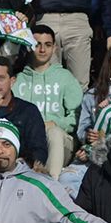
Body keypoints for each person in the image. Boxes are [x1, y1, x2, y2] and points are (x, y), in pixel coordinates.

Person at [11, 25, 84, 179]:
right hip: (28, 141)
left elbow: (77, 117)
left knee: (54, 133)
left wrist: (56, 123)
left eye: (48, 45)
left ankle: (52, 185)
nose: (42, 50)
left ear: (55, 48)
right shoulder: (18, 80)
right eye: (37, 44)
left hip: (60, 142)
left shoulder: (65, 77)